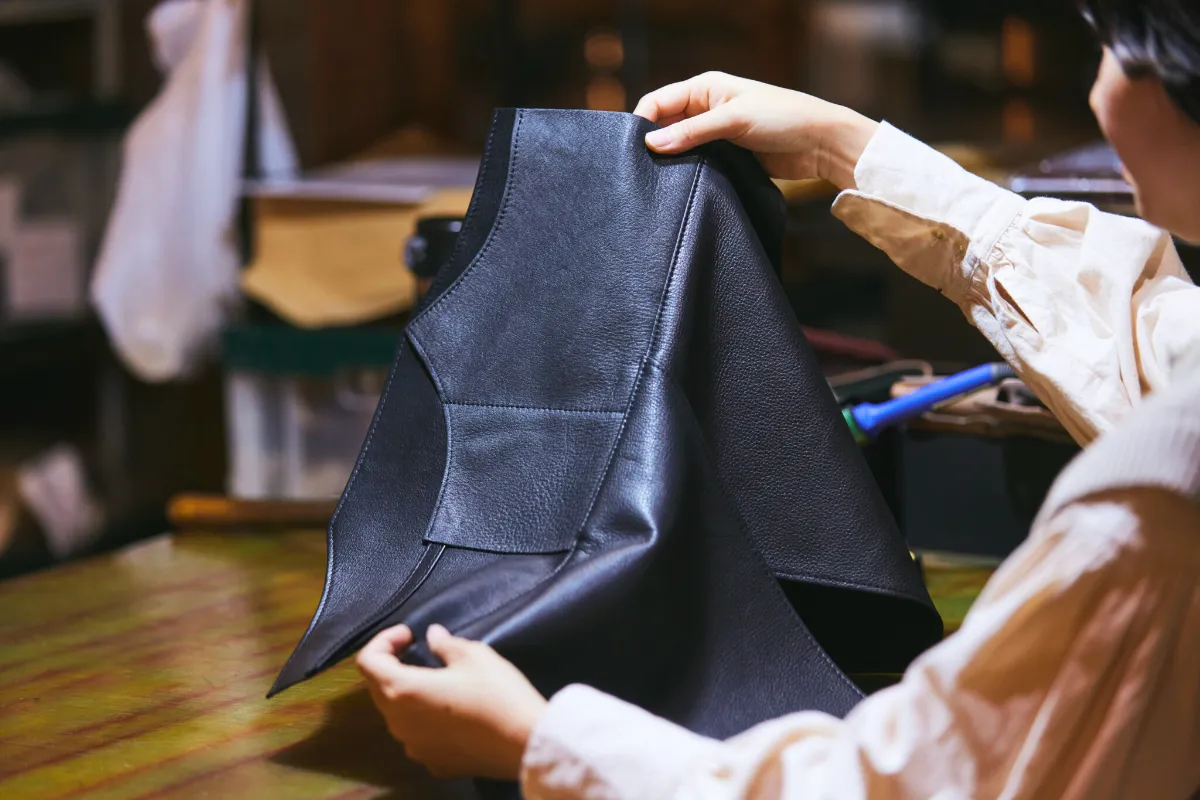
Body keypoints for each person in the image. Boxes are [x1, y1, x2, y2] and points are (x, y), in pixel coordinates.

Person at [355, 2, 1200, 796]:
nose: (1097, 87)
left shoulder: (1150, 508)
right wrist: (844, 145)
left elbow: (915, 780)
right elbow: (1154, 344)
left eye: (1110, 49)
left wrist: (540, 742)